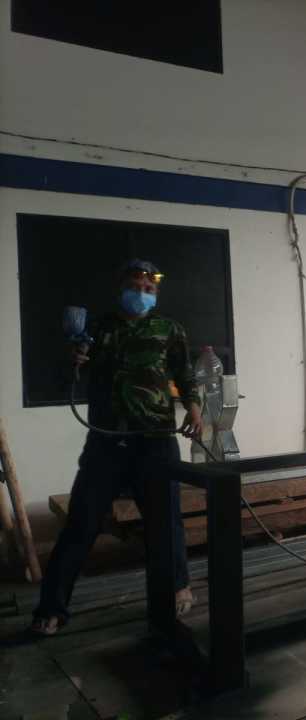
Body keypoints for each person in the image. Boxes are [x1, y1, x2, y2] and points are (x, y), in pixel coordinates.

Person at [31, 259, 203, 635]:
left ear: (156, 294)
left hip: (156, 441)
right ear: (121, 289)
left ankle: (176, 588)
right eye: (135, 287)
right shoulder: (97, 328)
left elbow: (184, 372)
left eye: (149, 289)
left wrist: (193, 405)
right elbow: (65, 377)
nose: (141, 293)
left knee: (165, 524)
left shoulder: (169, 329)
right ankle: (51, 608)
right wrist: (73, 360)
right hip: (106, 441)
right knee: (81, 523)